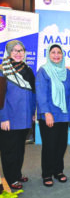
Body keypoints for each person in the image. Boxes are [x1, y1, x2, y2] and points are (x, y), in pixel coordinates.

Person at [0, 40, 35, 189]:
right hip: (10, 118)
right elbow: (0, 97)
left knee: (20, 148)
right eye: (14, 50)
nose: (18, 53)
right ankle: (10, 178)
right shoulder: (3, 71)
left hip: (25, 117)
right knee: (9, 150)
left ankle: (17, 173)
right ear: (8, 52)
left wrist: (33, 112)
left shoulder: (27, 70)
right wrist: (3, 118)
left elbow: (32, 93)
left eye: (21, 50)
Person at [36, 44, 70, 187]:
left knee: (61, 145)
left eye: (59, 53)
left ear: (62, 55)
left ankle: (58, 171)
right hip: (49, 115)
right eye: (53, 52)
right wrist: (46, 112)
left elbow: (68, 95)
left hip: (63, 115)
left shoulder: (67, 73)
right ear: (48, 55)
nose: (56, 55)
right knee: (49, 146)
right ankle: (47, 174)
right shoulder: (43, 71)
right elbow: (40, 93)